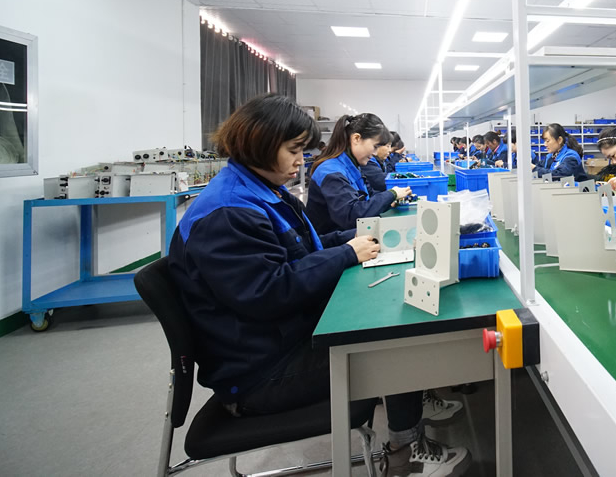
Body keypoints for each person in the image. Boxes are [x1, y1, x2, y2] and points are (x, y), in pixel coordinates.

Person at [167, 95, 469, 475]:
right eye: (293, 150)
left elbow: (301, 247)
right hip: (261, 374)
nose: (301, 161)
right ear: (259, 143)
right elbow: (271, 292)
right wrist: (346, 254)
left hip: (277, 342)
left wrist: (355, 241)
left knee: (385, 323)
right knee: (394, 345)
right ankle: (404, 453)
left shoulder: (258, 191)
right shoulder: (228, 213)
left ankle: (409, 409)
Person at [306, 114, 411, 235]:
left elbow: (369, 195)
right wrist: (391, 194)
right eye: (375, 146)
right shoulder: (330, 172)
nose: (375, 153)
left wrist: (388, 202)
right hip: (333, 242)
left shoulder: (352, 167)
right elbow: (352, 215)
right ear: (356, 138)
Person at [362, 131, 393, 195]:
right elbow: (382, 182)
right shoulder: (368, 163)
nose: (390, 150)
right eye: (387, 146)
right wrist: (393, 194)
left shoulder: (379, 161)